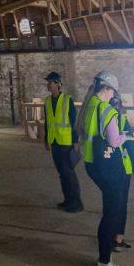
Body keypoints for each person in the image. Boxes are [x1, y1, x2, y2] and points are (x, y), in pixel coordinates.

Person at [75, 71, 131, 266]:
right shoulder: (106, 111)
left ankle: (105, 260)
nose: (113, 96)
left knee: (110, 211)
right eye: (112, 91)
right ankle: (105, 263)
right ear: (107, 89)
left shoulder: (89, 106)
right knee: (112, 213)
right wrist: (126, 135)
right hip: (108, 167)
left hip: (92, 164)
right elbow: (114, 141)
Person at [43, 72, 83, 212]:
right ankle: (68, 200)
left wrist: (75, 140)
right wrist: (46, 139)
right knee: (62, 173)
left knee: (68, 173)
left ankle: (76, 203)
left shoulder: (67, 100)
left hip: (66, 142)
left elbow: (74, 121)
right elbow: (48, 122)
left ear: (58, 84)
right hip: (54, 142)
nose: (48, 85)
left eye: (50, 82)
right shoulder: (47, 102)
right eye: (48, 82)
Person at [112, 92, 134, 251]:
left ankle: (110, 234)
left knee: (111, 203)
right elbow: (131, 146)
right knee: (121, 204)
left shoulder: (102, 119)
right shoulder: (122, 121)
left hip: (107, 167)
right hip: (122, 168)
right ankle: (118, 239)